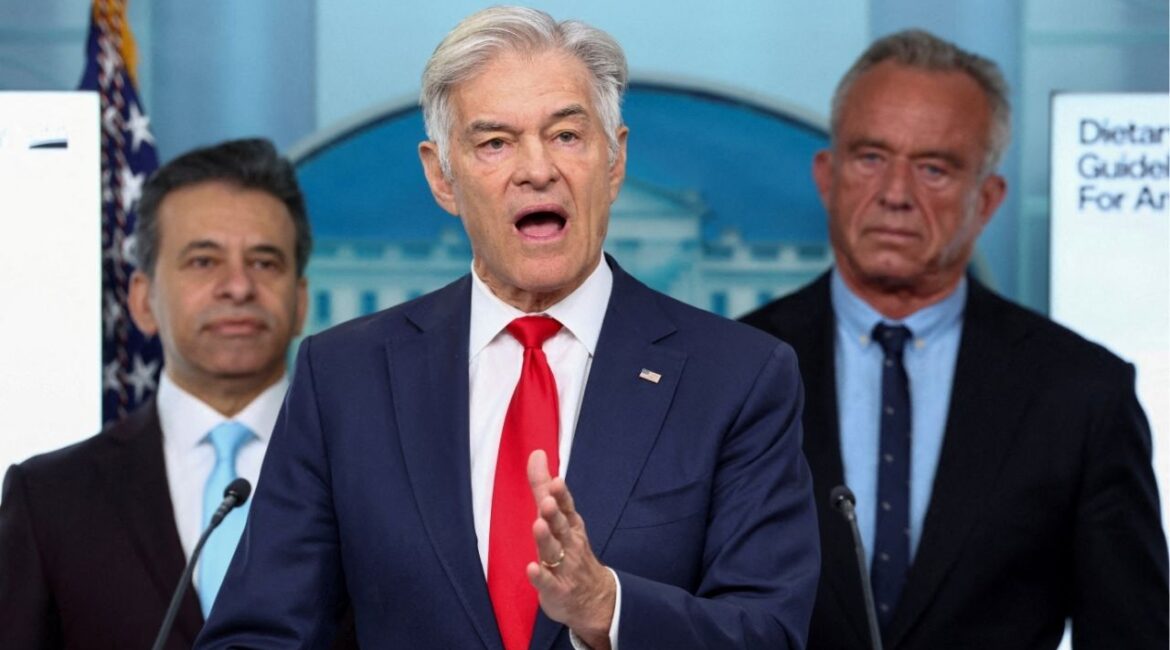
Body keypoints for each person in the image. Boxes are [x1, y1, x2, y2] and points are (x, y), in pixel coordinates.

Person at [197, 7, 819, 650]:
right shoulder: (345, 378)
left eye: (566, 136)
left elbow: (768, 633)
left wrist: (608, 609)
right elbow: (260, 635)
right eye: (495, 142)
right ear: (442, 177)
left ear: (614, 161)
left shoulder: (737, 378)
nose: (537, 169)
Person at [741, 29, 1169, 650]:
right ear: (827, 176)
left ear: (987, 199)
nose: (896, 195)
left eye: (934, 169)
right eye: (870, 158)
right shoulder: (731, 367)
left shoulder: (1082, 393)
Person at [0, 138, 339, 648]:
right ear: (142, 301)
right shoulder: (48, 497)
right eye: (204, 262)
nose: (238, 287)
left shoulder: (366, 479)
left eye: (265, 262)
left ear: (300, 302)